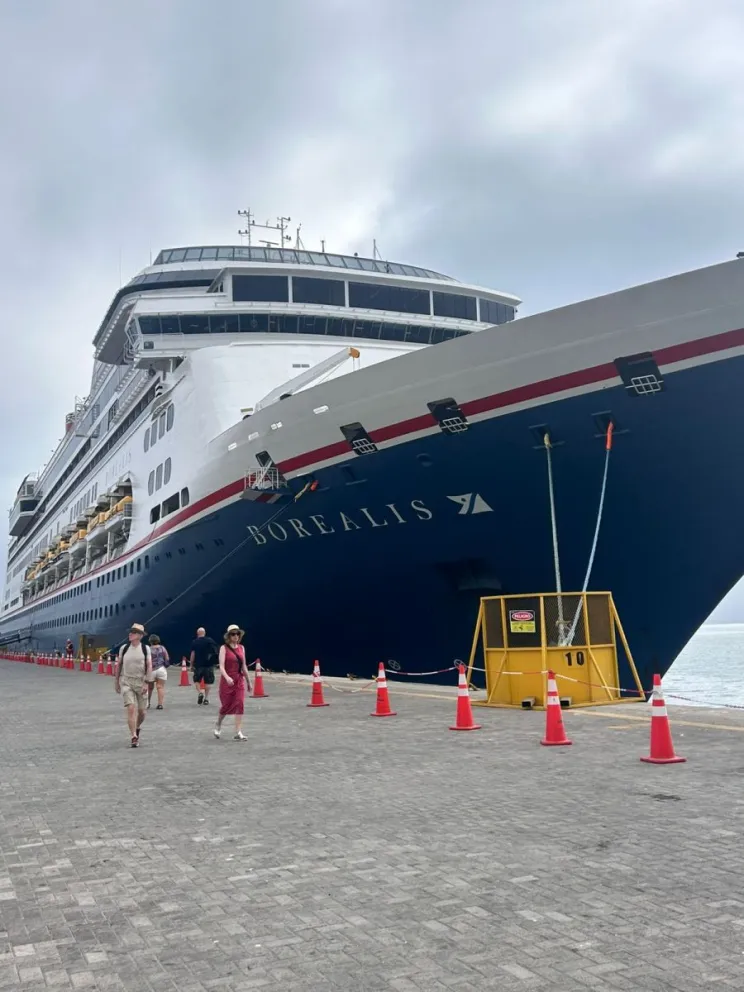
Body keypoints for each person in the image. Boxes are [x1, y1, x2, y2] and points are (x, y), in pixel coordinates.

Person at [114, 623, 152, 748]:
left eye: (134, 632)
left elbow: (149, 665)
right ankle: (133, 736)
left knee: (142, 712)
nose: (130, 634)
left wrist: (146, 682)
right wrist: (116, 681)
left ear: (140, 636)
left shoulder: (145, 649)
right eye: (130, 632)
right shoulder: (124, 648)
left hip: (141, 682)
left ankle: (137, 727)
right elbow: (119, 664)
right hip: (127, 681)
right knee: (131, 708)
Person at [213, 624, 250, 741]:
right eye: (233, 634)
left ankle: (238, 732)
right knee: (226, 705)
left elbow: (244, 666)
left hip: (239, 680)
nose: (236, 636)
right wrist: (227, 677)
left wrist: (249, 682)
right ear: (228, 636)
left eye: (237, 634)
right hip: (227, 681)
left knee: (240, 704)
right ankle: (218, 723)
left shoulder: (242, 648)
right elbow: (221, 666)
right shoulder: (223, 648)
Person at [190, 626, 218, 705]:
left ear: (197, 633)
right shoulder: (210, 640)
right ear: (204, 633)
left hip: (198, 665)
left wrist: (191, 665)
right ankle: (206, 699)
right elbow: (215, 651)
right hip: (209, 665)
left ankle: (200, 692)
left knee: (197, 680)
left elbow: (193, 654)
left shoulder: (195, 642)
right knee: (208, 682)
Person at [146, 634, 170, 710]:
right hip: (161, 669)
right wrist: (165, 666)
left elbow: (146, 660)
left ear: (150, 641)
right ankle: (160, 704)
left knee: (149, 688)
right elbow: (167, 658)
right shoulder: (162, 648)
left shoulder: (148, 649)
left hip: (151, 670)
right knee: (160, 687)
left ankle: (147, 703)